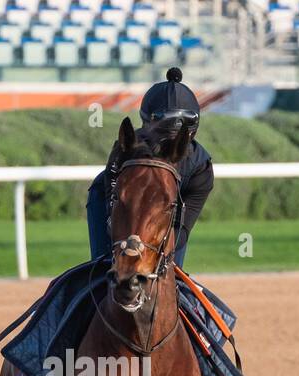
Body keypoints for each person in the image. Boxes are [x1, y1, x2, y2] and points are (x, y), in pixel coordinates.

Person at [86, 67, 214, 269]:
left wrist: (153, 253)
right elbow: (115, 219)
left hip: (169, 213)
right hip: (114, 203)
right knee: (107, 270)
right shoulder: (125, 148)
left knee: (167, 270)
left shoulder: (200, 169)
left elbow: (180, 232)